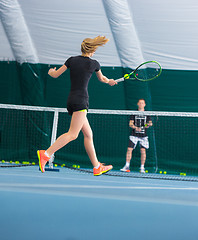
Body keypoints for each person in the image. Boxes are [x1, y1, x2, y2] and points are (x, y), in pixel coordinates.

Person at [37, 36, 117, 176]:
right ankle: (46, 154)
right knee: (73, 134)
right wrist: (110, 81)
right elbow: (102, 79)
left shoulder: (71, 60)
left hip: (71, 101)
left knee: (88, 134)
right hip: (81, 101)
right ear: (92, 50)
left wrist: (50, 72)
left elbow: (55, 75)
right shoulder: (94, 63)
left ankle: (97, 166)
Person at [121, 99, 152, 173]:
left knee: (143, 150)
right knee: (129, 149)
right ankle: (127, 166)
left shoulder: (147, 114)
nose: (141, 104)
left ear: (144, 105)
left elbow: (150, 123)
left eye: (142, 103)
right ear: (138, 104)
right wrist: (136, 128)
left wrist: (148, 124)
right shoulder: (134, 113)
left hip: (143, 136)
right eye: (140, 103)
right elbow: (130, 123)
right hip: (134, 135)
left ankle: (142, 167)